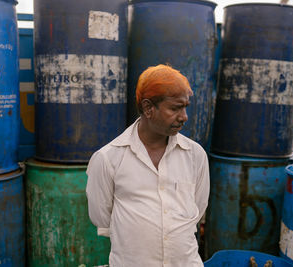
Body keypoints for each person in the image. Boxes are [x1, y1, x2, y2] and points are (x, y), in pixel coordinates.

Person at [86, 64, 210, 266]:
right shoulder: (109, 158)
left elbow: (198, 206)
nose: (184, 117)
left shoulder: (195, 155)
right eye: (175, 108)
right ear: (148, 108)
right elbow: (101, 217)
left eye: (185, 107)